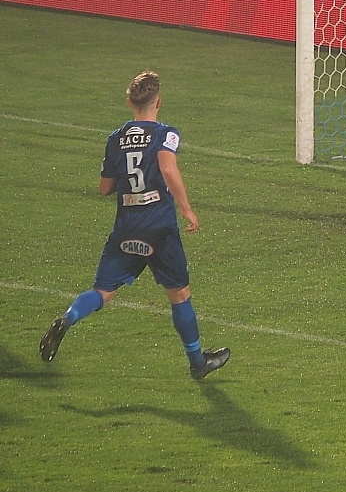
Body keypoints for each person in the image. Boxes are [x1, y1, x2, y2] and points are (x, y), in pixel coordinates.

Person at [39, 71, 230, 382]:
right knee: (179, 294)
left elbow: (104, 188)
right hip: (159, 226)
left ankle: (68, 318)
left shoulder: (115, 138)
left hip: (127, 226)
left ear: (129, 103)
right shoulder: (165, 134)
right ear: (159, 102)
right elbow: (168, 168)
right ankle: (198, 363)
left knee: (102, 292)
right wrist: (187, 209)